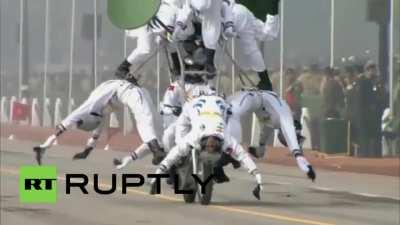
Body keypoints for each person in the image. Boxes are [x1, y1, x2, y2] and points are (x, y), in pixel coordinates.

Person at [149, 92, 264, 200]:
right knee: (180, 145)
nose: (211, 144)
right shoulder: (195, 137)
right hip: (191, 106)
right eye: (212, 147)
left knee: (233, 126)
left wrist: (258, 179)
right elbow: (171, 157)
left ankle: (200, 163)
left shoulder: (226, 139)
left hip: (217, 105)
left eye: (209, 147)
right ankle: (181, 164)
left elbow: (243, 156)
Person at [33, 79, 166, 165]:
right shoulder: (98, 115)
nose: (98, 125)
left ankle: (157, 150)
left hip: (129, 92)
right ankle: (163, 152)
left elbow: (64, 126)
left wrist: (46, 144)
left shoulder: (89, 106)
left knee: (144, 121)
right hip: (136, 92)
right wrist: (87, 151)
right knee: (154, 124)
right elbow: (96, 135)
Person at [226, 88, 316, 181]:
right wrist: (302, 161)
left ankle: (229, 146)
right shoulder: (285, 119)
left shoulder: (276, 124)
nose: (286, 141)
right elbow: (292, 141)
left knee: (231, 110)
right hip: (257, 97)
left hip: (256, 101)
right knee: (232, 111)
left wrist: (260, 149)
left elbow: (267, 131)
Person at [114, 0, 183, 80]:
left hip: (157, 20)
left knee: (171, 41)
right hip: (146, 20)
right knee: (145, 49)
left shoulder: (176, 7)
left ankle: (177, 66)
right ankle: (122, 68)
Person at [227, 3, 280, 90]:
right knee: (255, 44)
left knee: (252, 47)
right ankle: (265, 81)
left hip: (235, 15)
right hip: (239, 11)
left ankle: (265, 81)